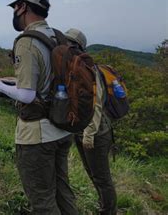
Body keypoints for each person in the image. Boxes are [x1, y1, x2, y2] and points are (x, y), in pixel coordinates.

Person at [0, 0, 78, 214]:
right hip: (62, 128)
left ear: (23, 7)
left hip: (38, 135)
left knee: (42, 199)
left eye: (15, 7)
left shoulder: (26, 42)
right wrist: (11, 82)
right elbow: (45, 81)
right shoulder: (58, 37)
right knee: (63, 190)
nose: (14, 13)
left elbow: (28, 95)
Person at [66, 28, 117, 215]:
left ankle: (108, 211)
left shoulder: (89, 69)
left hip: (96, 132)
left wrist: (88, 134)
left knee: (102, 178)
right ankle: (104, 207)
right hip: (82, 131)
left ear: (77, 46)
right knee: (93, 175)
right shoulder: (73, 68)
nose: (65, 46)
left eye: (69, 43)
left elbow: (96, 104)